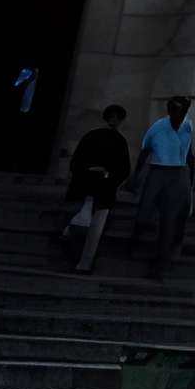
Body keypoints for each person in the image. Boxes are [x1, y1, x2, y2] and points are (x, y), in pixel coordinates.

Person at [61, 104, 131, 274]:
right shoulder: (115, 140)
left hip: (93, 186)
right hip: (97, 187)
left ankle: (83, 263)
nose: (115, 120)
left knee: (91, 228)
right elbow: (123, 169)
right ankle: (83, 263)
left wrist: (94, 174)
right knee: (91, 228)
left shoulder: (95, 136)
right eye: (114, 117)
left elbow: (77, 162)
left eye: (117, 117)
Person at [131, 96, 195, 279]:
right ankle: (137, 240)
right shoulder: (158, 127)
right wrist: (136, 176)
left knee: (170, 221)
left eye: (181, 110)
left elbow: (190, 155)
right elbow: (145, 151)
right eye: (174, 109)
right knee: (144, 211)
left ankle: (161, 263)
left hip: (179, 175)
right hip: (157, 172)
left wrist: (190, 184)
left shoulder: (187, 128)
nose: (178, 113)